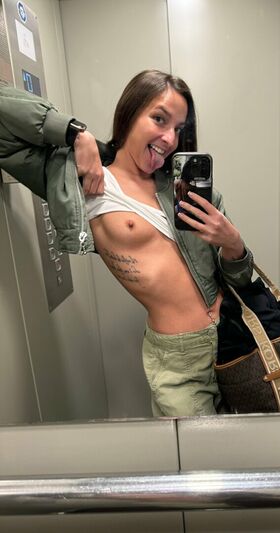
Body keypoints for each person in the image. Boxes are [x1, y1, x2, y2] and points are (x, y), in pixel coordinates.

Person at [0, 70, 253, 417]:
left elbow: (239, 280)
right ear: (129, 113)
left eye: (178, 128)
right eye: (159, 119)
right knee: (197, 451)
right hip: (179, 360)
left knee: (241, 446)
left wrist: (234, 244)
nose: (169, 138)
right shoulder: (82, 179)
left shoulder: (184, 190)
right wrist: (75, 133)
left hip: (232, 339)